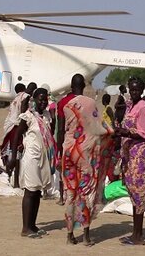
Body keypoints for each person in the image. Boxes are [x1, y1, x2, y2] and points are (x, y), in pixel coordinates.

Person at [59, 74, 110, 246]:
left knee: (70, 194)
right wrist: (111, 133)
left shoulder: (65, 104)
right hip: (85, 154)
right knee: (86, 191)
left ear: (72, 86)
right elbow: (98, 128)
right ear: (84, 85)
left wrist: (60, 155)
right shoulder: (91, 104)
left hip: (68, 153)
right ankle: (86, 236)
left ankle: (69, 235)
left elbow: (61, 131)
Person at [7, 88, 55, 238]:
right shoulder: (28, 116)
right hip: (31, 157)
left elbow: (50, 135)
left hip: (43, 157)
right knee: (30, 191)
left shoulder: (47, 116)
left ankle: (33, 225)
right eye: (40, 99)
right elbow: (16, 137)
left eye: (45, 99)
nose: (43, 102)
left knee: (38, 191)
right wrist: (13, 157)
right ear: (34, 100)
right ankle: (25, 228)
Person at [115, 76, 145, 246]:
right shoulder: (131, 105)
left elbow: (143, 133)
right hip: (130, 154)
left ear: (141, 90)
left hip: (138, 156)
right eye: (132, 89)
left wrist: (125, 133)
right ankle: (136, 233)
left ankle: (138, 236)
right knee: (133, 192)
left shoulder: (142, 108)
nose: (134, 92)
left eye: (137, 90)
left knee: (139, 192)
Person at [0, 83, 27, 168]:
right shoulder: (24, 97)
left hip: (10, 126)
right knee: (17, 150)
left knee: (10, 148)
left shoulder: (15, 100)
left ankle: (9, 169)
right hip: (17, 126)